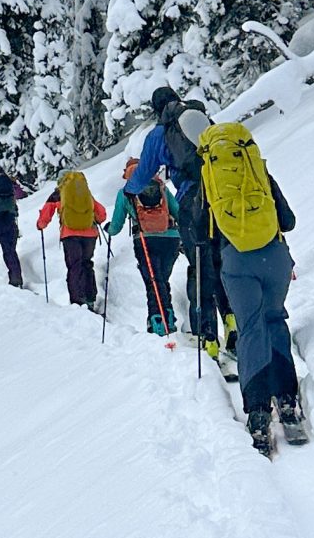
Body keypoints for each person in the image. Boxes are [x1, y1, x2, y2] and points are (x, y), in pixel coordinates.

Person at [199, 120, 305, 451]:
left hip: (238, 261)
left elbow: (200, 234)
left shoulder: (211, 180)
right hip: (275, 257)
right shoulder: (258, 172)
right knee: (274, 319)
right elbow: (288, 220)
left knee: (250, 329)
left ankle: (258, 412)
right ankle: (288, 402)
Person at [126, 84, 229, 359]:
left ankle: (208, 338)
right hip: (222, 198)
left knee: (200, 268)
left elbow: (144, 172)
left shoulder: (159, 134)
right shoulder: (202, 122)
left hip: (192, 204)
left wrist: (129, 191)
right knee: (223, 263)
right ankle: (232, 321)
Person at [106, 159, 180, 334]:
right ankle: (168, 317)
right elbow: (177, 210)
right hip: (170, 238)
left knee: (153, 281)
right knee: (161, 280)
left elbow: (116, 225)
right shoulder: (162, 188)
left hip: (145, 240)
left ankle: (157, 321)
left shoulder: (125, 193)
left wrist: (110, 229)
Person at [35, 167, 107, 307]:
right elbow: (102, 214)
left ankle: (77, 301)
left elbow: (45, 215)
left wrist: (40, 225)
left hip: (70, 235)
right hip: (90, 235)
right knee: (87, 264)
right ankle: (90, 298)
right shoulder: (85, 193)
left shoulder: (58, 194)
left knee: (74, 267)